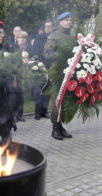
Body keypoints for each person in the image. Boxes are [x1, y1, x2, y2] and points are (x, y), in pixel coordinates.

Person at [44, 11, 74, 140]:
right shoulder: (54, 36)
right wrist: (61, 54)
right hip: (57, 73)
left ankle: (60, 126)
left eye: (70, 20)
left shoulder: (73, 36)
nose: (69, 22)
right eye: (66, 20)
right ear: (60, 22)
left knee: (66, 100)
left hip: (70, 72)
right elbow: (46, 53)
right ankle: (55, 129)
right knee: (57, 101)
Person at [32, 20, 53, 120]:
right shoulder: (39, 37)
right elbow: (35, 51)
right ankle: (37, 112)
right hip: (41, 66)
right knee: (40, 89)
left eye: (49, 26)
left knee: (48, 91)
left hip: (51, 66)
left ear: (52, 27)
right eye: (46, 26)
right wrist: (38, 63)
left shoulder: (54, 37)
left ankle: (44, 111)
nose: (47, 28)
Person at [11, 31, 32, 122]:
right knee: (14, 95)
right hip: (15, 75)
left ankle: (20, 114)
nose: (22, 40)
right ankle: (14, 115)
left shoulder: (29, 49)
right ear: (17, 39)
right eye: (20, 38)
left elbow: (32, 59)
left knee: (21, 96)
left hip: (24, 75)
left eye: (24, 38)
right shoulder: (14, 49)